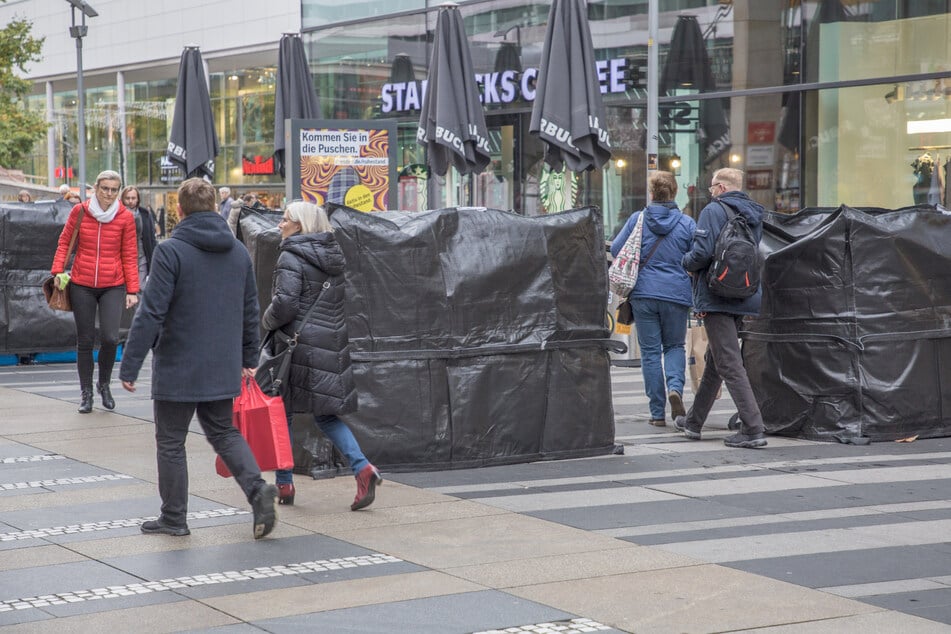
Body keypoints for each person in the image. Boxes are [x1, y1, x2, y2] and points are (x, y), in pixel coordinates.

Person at [118, 177, 278, 539]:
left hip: (178, 363)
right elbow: (250, 309)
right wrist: (249, 355)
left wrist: (130, 364)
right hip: (222, 362)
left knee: (171, 441)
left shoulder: (170, 250)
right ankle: (256, 490)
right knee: (223, 431)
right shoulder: (237, 251)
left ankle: (174, 517)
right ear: (212, 207)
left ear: (180, 208)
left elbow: (151, 312)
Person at [261, 201, 382, 510]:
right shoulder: (332, 256)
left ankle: (285, 483)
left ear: (299, 225)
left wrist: (266, 321)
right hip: (330, 343)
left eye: (285, 220)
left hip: (296, 345)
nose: (280, 225)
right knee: (326, 415)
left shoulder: (291, 254)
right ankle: (363, 468)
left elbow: (286, 305)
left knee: (281, 412)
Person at [675, 167, 767, 449]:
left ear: (723, 188)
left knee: (728, 362)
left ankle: (753, 428)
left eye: (713, 187)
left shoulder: (713, 212)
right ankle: (693, 421)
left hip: (716, 295)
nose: (711, 192)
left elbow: (701, 254)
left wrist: (685, 262)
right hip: (745, 293)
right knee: (717, 360)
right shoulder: (754, 214)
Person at [610, 171, 696, 426]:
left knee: (649, 353)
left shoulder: (638, 219)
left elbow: (617, 249)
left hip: (644, 294)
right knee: (674, 346)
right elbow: (697, 256)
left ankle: (657, 412)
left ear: (651, 194)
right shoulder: (687, 223)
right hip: (676, 294)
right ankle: (676, 389)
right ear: (674, 193)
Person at [50, 170, 140, 414]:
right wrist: (58, 271)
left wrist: (132, 289)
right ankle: (86, 393)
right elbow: (64, 242)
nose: (109, 194)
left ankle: (104, 385)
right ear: (96, 189)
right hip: (82, 283)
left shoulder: (125, 217)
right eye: (105, 188)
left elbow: (130, 255)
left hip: (113, 283)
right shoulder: (80, 212)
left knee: (111, 338)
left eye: (113, 189)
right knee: (85, 340)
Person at [120, 186, 158, 283]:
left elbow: (151, 237)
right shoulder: (117, 214)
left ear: (138, 199)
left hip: (142, 255)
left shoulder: (145, 214)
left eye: (133, 198)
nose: (130, 201)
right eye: (127, 198)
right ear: (123, 199)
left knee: (141, 286)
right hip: (123, 256)